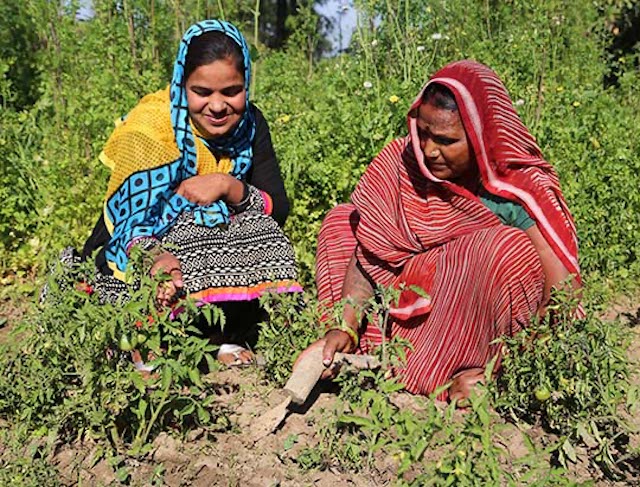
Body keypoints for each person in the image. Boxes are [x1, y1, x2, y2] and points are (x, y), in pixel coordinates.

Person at [300, 60, 581, 403]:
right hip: (398, 310)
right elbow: (368, 254)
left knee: (509, 250)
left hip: (465, 326)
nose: (429, 150)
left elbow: (562, 295)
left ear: (481, 137)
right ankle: (360, 350)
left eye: (447, 140)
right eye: (422, 133)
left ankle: (469, 375)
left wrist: (509, 367)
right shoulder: (403, 165)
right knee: (343, 221)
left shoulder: (516, 191)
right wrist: (343, 324)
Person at [82, 20, 301, 365]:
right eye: (202, 92)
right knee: (182, 237)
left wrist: (228, 185)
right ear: (182, 85)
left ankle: (218, 337)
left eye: (231, 91)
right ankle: (150, 349)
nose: (217, 106)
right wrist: (155, 257)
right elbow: (129, 224)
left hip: (198, 261)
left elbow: (278, 208)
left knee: (260, 229)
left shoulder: (251, 124)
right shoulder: (150, 126)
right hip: (136, 250)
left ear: (247, 86)